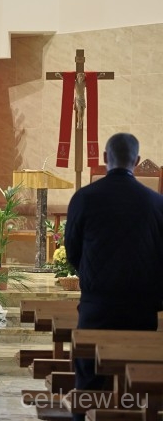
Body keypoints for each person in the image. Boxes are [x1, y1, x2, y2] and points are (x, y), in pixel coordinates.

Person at [64, 133, 163, 420]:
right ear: (137, 160)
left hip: (98, 307)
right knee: (138, 385)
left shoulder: (84, 198)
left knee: (88, 384)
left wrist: (92, 277)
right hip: (141, 310)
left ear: (106, 157)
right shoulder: (156, 203)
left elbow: (72, 251)